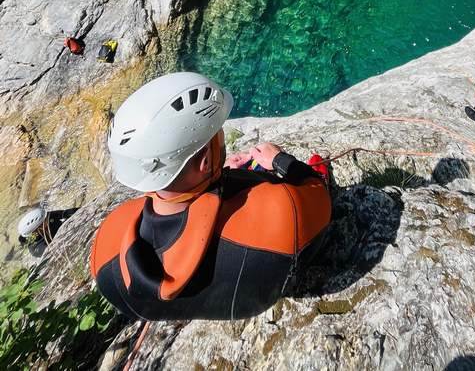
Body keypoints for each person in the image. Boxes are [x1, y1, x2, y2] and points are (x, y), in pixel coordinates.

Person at [90, 72, 331, 321]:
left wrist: (221, 178)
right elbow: (317, 190)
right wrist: (280, 160)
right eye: (218, 132)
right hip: (256, 286)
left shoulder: (104, 257)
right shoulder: (282, 212)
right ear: (205, 161)